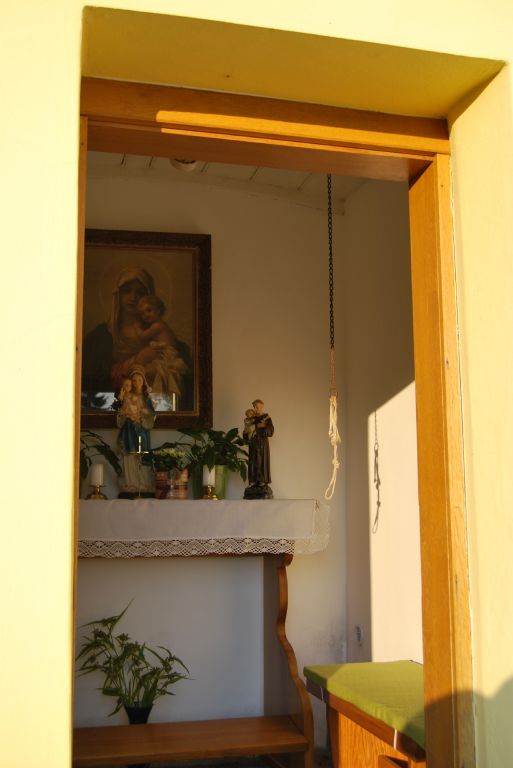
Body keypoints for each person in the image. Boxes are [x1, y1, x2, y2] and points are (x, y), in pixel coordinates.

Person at [82, 266, 193, 410]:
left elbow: (180, 390)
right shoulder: (101, 336)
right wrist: (138, 359)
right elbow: (89, 384)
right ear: (118, 296)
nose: (133, 298)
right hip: (112, 407)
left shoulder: (162, 334)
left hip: (156, 408)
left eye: (140, 293)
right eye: (127, 291)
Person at [136, 294, 188, 402]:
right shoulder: (158, 324)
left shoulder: (157, 326)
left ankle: (159, 400)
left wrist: (137, 329)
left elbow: (143, 336)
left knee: (154, 372)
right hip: (165, 351)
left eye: (148, 310)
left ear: (158, 310)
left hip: (167, 353)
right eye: (142, 313)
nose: (145, 315)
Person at [116, 366, 156, 497]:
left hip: (141, 430)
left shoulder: (146, 398)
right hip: (129, 430)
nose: (137, 383)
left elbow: (152, 414)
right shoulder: (127, 396)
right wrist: (126, 413)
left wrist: (144, 412)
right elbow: (122, 413)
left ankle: (144, 484)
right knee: (129, 455)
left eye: (139, 380)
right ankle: (131, 483)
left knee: (142, 454)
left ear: (143, 381)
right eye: (134, 380)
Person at [243, 399, 274, 499]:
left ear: (262, 407)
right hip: (253, 444)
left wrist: (259, 429)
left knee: (261, 461)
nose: (256, 409)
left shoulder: (266, 417)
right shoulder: (252, 418)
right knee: (253, 461)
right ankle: (252, 480)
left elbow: (270, 430)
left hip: (262, 444)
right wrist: (246, 432)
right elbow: (247, 431)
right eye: (255, 407)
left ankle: (262, 481)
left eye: (258, 407)